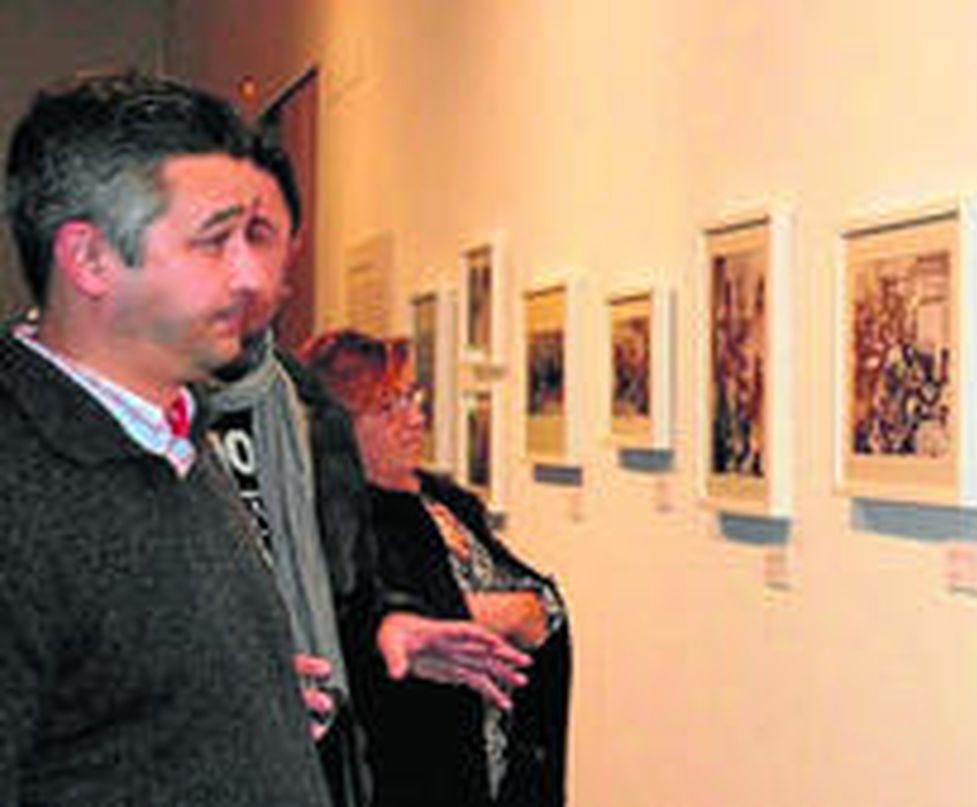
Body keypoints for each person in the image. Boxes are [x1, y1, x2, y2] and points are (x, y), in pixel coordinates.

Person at [0, 71, 330, 805]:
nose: (252, 277)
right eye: (214, 242)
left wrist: (240, 706)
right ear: (90, 259)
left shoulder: (176, 435)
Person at [200, 107, 534, 805]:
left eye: (266, 241)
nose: (251, 273)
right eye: (218, 238)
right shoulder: (113, 426)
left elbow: (343, 589)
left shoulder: (304, 410)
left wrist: (384, 622)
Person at [304, 330, 573, 807]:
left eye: (412, 396)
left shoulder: (448, 501)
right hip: (416, 778)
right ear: (339, 427)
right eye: (388, 406)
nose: (415, 416)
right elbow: (369, 631)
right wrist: (507, 613)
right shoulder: (338, 523)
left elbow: (537, 604)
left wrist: (519, 610)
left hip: (511, 771)